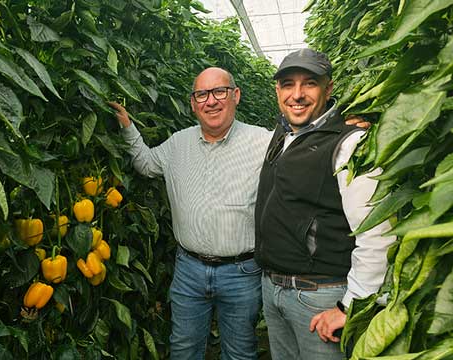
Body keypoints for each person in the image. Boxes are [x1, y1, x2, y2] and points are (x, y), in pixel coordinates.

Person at [109, 66, 368, 359]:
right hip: (189, 269)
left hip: (242, 271)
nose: (211, 101)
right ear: (193, 103)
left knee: (240, 351)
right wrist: (127, 126)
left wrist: (341, 129)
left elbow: (307, 139)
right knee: (183, 347)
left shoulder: (268, 142)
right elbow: (145, 163)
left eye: (220, 92)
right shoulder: (177, 143)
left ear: (236, 96)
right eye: (202, 94)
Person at [254, 49, 395, 360]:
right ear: (277, 91)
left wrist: (351, 305)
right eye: (288, 84)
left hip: (320, 297)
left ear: (328, 88)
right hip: (275, 290)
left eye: (310, 84)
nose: (297, 95)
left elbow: (377, 232)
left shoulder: (349, 143)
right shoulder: (283, 133)